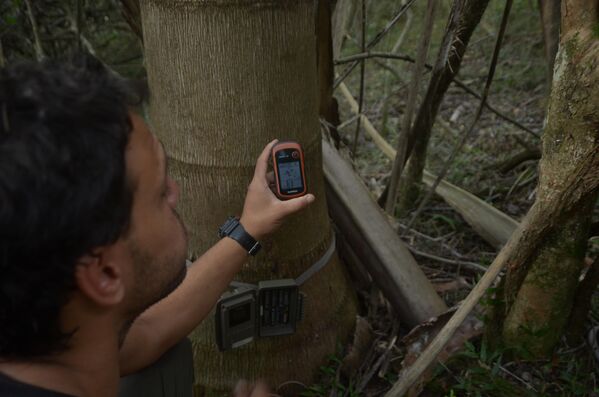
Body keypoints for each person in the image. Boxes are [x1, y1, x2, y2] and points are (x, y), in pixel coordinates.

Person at [0, 57, 314, 397]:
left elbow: (147, 334)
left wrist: (249, 228)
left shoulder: (47, 339)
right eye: (160, 192)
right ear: (105, 273)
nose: (175, 193)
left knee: (164, 358)